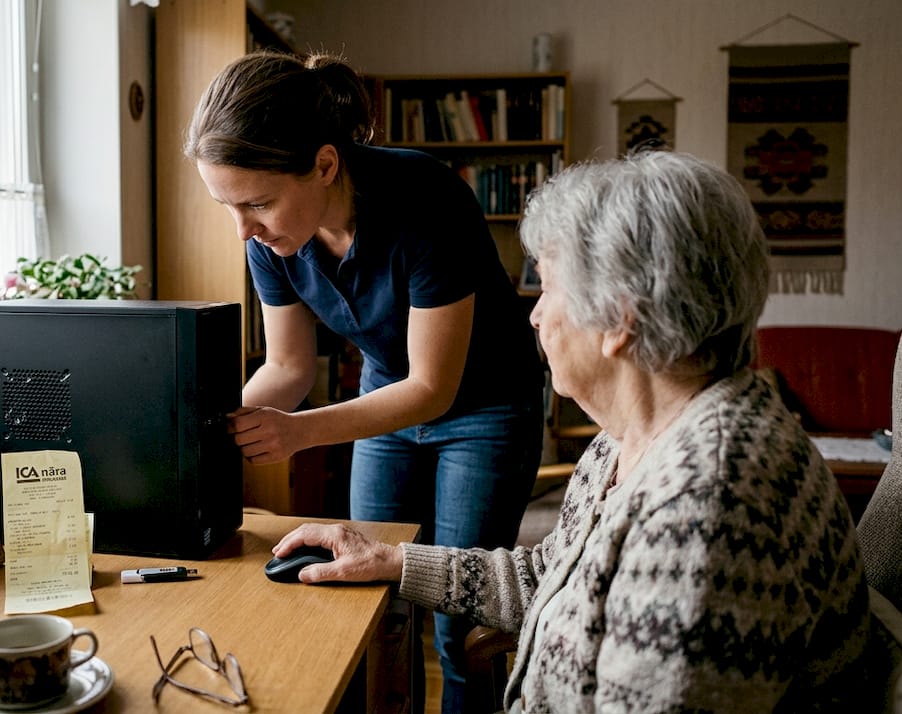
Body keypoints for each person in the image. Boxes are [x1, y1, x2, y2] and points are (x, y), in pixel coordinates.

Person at [268, 149, 870, 712]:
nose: (533, 313)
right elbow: (549, 576)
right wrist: (393, 561)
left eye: (550, 288)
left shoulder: (709, 505)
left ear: (619, 320)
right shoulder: (628, 441)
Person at [185, 50, 546, 712]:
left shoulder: (426, 197)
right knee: (362, 595)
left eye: (258, 203)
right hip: (385, 399)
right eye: (227, 206)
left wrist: (299, 434)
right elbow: (289, 369)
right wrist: (200, 428)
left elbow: (433, 388)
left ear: (324, 165)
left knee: (456, 619)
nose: (245, 230)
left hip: (486, 406)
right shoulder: (271, 240)